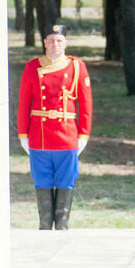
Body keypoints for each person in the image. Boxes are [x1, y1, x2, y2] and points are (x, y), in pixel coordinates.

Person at [17, 24, 93, 231]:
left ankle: (61, 226)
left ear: (65, 43)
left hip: (67, 135)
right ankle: (44, 226)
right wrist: (23, 133)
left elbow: (86, 104)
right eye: (51, 40)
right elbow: (24, 103)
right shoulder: (32, 67)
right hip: (39, 136)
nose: (55, 45)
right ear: (44, 43)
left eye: (59, 41)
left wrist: (84, 134)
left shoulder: (76, 67)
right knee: (41, 181)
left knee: (66, 181)